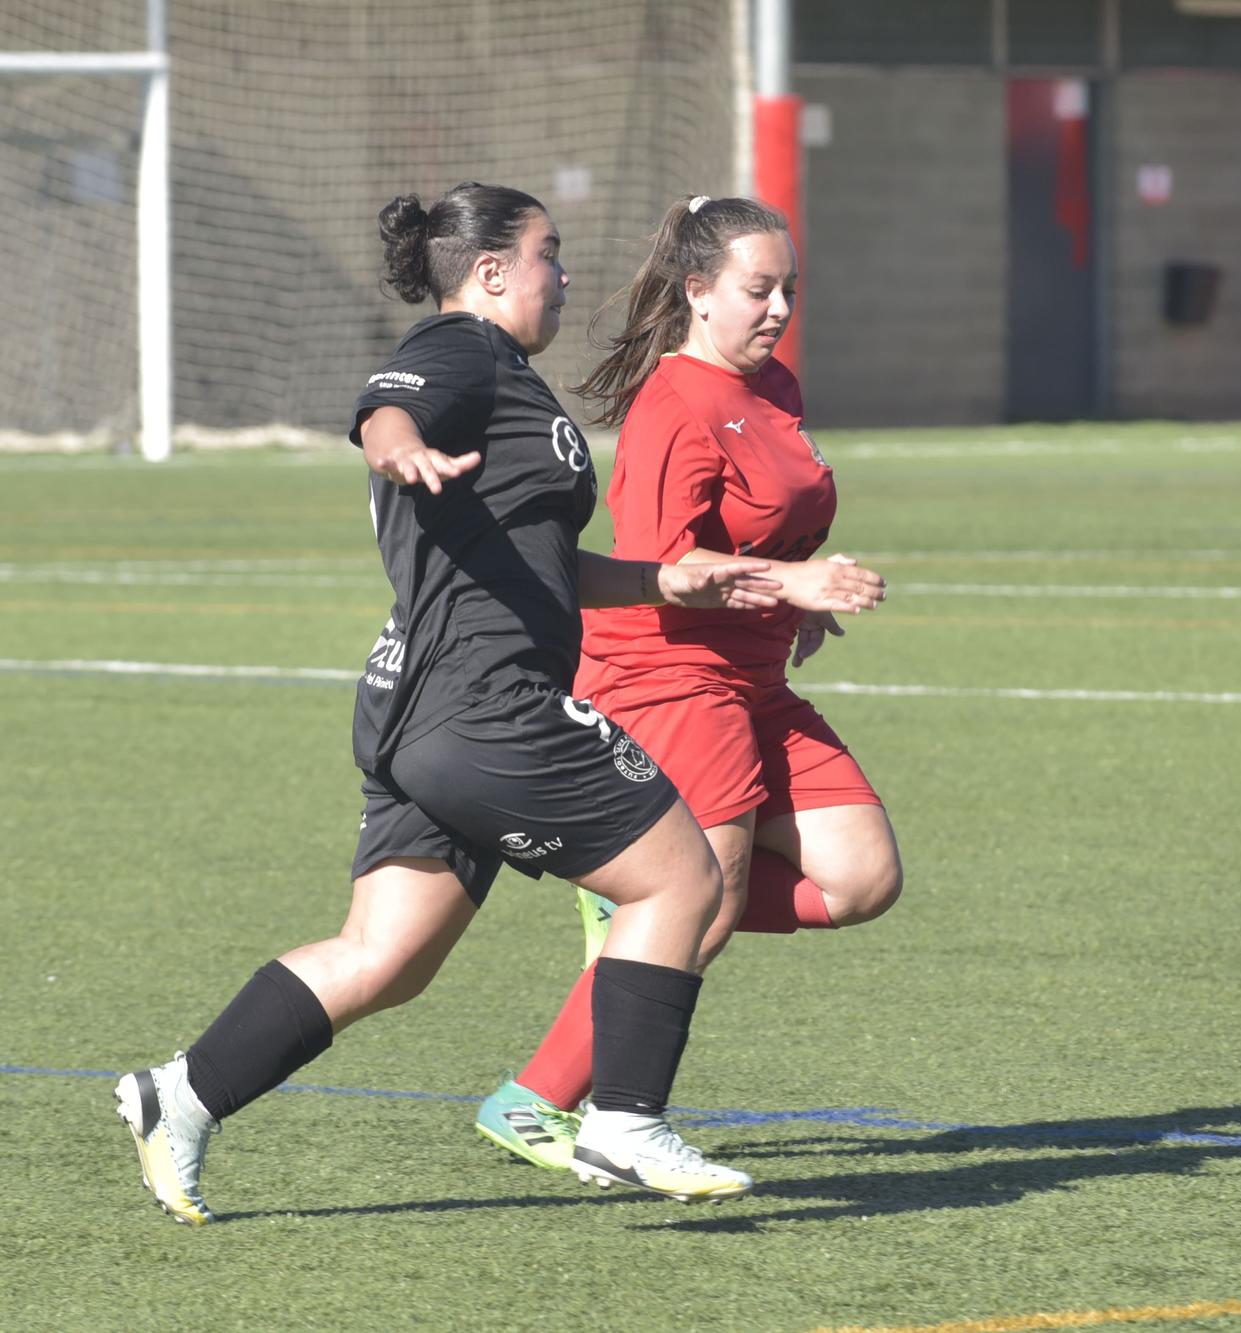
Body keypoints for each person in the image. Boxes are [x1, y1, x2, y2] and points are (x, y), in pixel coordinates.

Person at [112, 182, 785, 1225]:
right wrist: (393, 441)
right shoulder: (462, 348)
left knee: (387, 956)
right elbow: (389, 407)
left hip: (417, 696)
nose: (562, 274)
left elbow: (542, 557)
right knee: (683, 881)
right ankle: (624, 1119)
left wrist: (665, 581)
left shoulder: (503, 377)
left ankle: (181, 1093)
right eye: (548, 254)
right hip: (487, 697)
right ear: (490, 271)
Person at [472, 193, 900, 1171]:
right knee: (702, 904)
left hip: (751, 676)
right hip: (666, 675)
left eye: (790, 288)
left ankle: (639, 901)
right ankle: (531, 1099)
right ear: (699, 293)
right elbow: (666, 571)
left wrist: (799, 596)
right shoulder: (673, 404)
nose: (780, 307)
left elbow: (767, 524)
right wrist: (785, 582)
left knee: (863, 877)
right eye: (760, 289)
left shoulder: (776, 386)